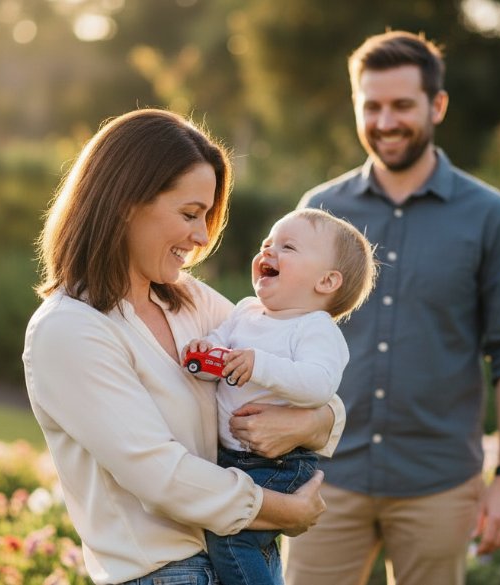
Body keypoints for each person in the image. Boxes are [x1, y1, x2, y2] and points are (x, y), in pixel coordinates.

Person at [23, 109, 348, 585]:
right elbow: (160, 475)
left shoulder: (188, 299)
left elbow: (306, 374)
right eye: (190, 214)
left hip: (238, 559)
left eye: (207, 216)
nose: (202, 237)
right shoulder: (69, 330)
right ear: (125, 202)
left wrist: (316, 420)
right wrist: (282, 510)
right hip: (164, 574)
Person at [284, 31, 500, 585]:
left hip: (438, 484)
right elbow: (283, 330)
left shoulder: (489, 215)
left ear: (437, 105)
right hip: (325, 477)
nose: (385, 121)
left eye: (402, 105)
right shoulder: (318, 211)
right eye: (371, 106)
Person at [183, 208, 377, 585]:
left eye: (287, 247)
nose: (268, 252)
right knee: (246, 538)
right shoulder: (245, 312)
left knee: (233, 539)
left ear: (326, 281)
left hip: (279, 464)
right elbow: (221, 350)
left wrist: (259, 366)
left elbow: (319, 384)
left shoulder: (315, 330)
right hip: (232, 457)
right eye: (267, 244)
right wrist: (204, 353)